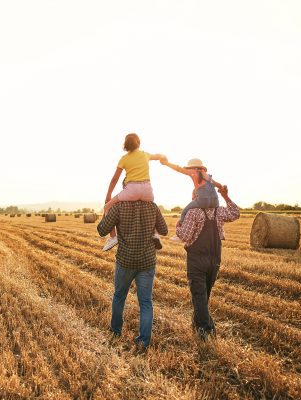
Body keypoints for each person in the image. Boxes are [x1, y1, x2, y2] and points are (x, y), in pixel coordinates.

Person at [97, 200, 168, 351]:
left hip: (125, 261)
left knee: (119, 297)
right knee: (146, 302)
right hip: (147, 261)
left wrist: (107, 209)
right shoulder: (152, 206)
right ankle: (143, 342)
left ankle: (116, 332)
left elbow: (102, 230)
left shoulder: (118, 207)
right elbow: (164, 230)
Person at [175, 185, 240, 340]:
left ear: (196, 197)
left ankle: (207, 330)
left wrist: (178, 226)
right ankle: (197, 325)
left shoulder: (193, 212)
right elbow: (236, 213)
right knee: (203, 296)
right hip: (215, 259)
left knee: (199, 296)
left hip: (197, 260)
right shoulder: (219, 212)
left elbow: (184, 236)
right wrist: (226, 196)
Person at [103, 133, 166, 251]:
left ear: (125, 145)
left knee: (107, 207)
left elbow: (115, 179)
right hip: (147, 190)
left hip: (131, 190)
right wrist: (164, 157)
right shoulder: (145, 155)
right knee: (152, 207)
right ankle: (155, 234)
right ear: (139, 142)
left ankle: (112, 237)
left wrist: (108, 195)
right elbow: (158, 156)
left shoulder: (124, 159)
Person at [160, 157, 225, 241]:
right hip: (215, 201)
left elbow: (178, 169)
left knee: (184, 212)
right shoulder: (208, 176)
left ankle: (181, 235)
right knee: (214, 215)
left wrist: (166, 163)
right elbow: (218, 185)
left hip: (203, 201)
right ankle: (221, 231)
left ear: (193, 167)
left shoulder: (193, 172)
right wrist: (222, 189)